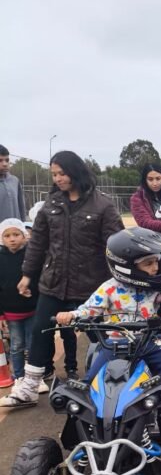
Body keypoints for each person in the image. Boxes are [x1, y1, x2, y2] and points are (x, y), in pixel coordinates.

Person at [2, 151, 123, 408]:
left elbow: (116, 243)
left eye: (62, 173)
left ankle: (116, 380)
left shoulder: (102, 205)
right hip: (54, 283)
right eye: (54, 174)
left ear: (75, 171)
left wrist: (119, 279)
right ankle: (30, 386)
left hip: (91, 285)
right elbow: (38, 243)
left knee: (100, 334)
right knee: (40, 331)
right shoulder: (51, 204)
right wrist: (27, 275)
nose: (58, 179)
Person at [56, 228, 161, 382]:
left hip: (150, 340)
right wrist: (72, 315)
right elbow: (90, 309)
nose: (156, 267)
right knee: (91, 380)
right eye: (148, 263)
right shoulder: (109, 288)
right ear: (127, 266)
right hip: (115, 343)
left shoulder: (159, 286)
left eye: (156, 261)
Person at [0, 219, 40, 391]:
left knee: (33, 345)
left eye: (16, 234)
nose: (12, 239)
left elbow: (39, 279)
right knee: (16, 345)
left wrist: (32, 291)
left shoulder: (32, 256)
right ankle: (19, 376)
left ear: (24, 236)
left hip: (32, 309)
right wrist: (1, 315)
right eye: (7, 235)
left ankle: (34, 377)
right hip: (11, 312)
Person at [130, 164, 161, 234]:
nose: (155, 183)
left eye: (158, 178)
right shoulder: (137, 198)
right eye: (150, 179)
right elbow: (145, 223)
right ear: (145, 179)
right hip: (152, 238)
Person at [0, 145, 26, 221]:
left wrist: (23, 224)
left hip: (15, 227)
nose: (5, 164)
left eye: (7, 160)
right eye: (0, 161)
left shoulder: (15, 181)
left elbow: (21, 208)